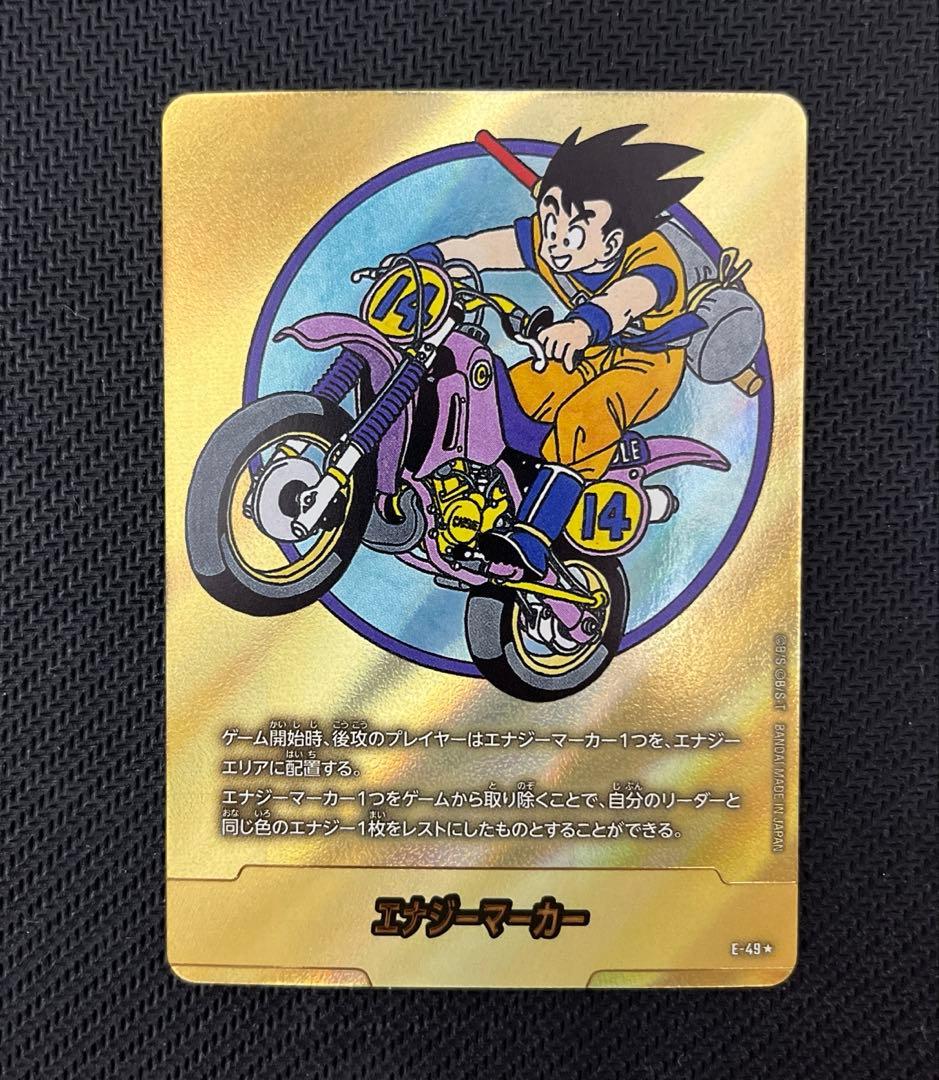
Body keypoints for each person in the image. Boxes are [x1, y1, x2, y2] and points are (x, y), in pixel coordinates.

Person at [408, 125, 703, 577]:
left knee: (587, 414)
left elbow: (628, 298)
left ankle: (534, 534)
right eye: (550, 219)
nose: (554, 240)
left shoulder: (654, 262)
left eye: (575, 232)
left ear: (612, 241)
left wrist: (584, 325)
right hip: (582, 351)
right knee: (511, 393)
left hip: (646, 364)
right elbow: (485, 248)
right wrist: (430, 256)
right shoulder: (548, 242)